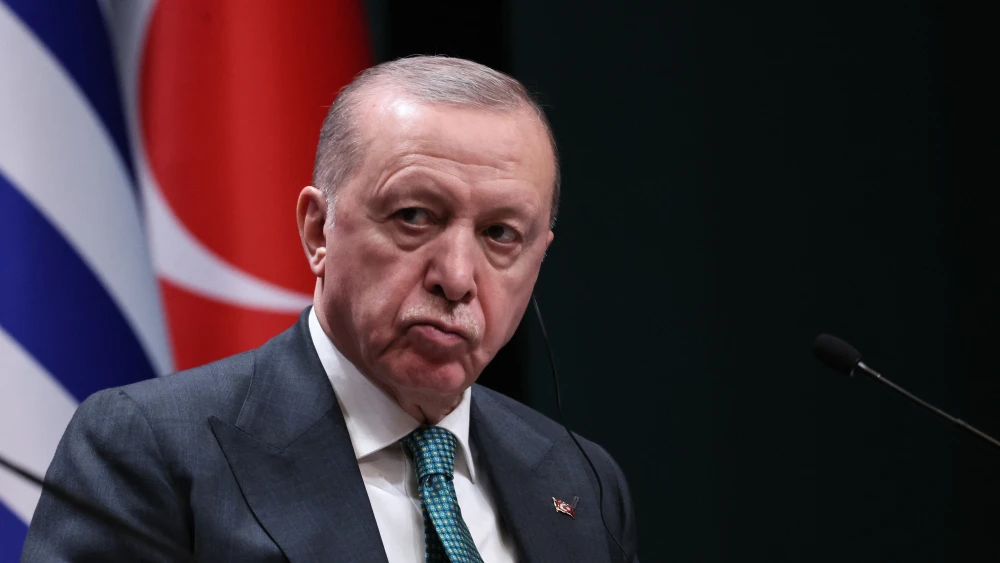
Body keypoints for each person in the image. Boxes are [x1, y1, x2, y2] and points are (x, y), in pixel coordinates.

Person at [22, 56, 639, 563]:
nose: (456, 278)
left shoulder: (580, 480)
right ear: (319, 231)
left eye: (501, 234)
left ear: (539, 258)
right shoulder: (150, 451)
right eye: (414, 217)